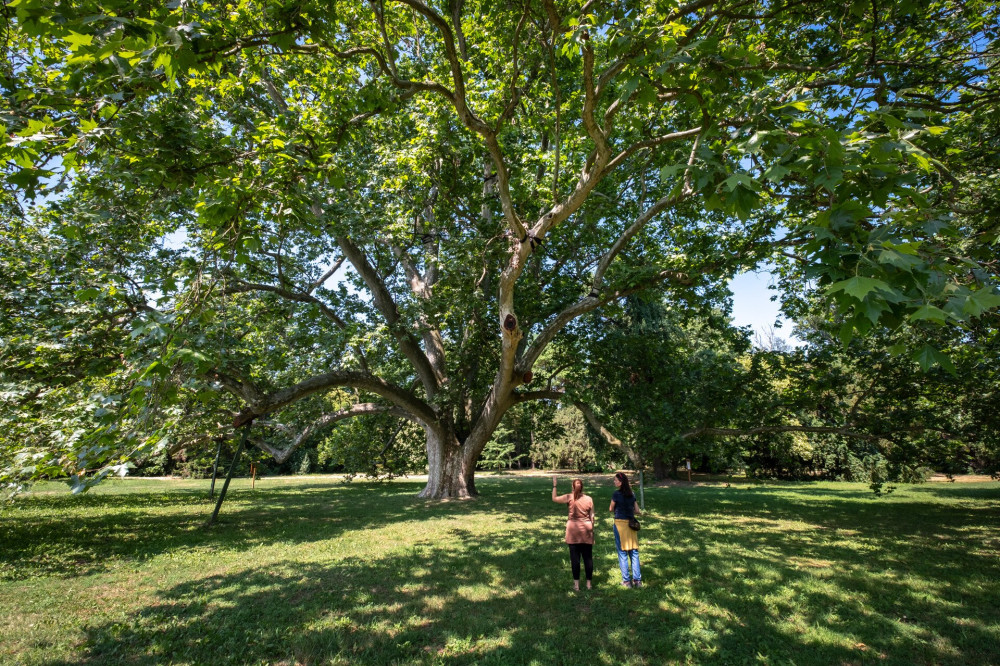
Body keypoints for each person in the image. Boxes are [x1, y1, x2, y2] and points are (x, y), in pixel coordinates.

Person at [552, 476, 595, 590]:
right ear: (582, 487)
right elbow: (593, 517)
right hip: (586, 530)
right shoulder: (589, 499)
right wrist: (592, 530)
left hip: (573, 531)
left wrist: (555, 485)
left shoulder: (569, 497)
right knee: (588, 558)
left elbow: (554, 498)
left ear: (572, 486)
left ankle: (576, 585)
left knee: (575, 559)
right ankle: (589, 584)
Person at [609, 471, 642, 587]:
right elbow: (637, 510)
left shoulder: (616, 494)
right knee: (634, 552)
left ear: (621, 482)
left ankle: (627, 581)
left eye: (616, 480)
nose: (614, 482)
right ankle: (637, 581)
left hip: (620, 525)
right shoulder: (632, 494)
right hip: (631, 524)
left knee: (622, 552)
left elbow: (610, 508)